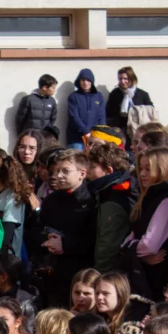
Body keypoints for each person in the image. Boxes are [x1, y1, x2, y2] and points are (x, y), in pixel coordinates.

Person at [33, 150, 96, 308]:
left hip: (80, 273)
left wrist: (65, 245)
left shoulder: (92, 200)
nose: (58, 175)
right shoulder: (50, 201)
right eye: (56, 171)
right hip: (53, 274)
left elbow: (94, 238)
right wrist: (47, 240)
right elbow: (36, 230)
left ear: (82, 173)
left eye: (65, 171)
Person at [125, 147, 168, 300]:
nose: (142, 174)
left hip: (157, 277)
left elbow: (149, 245)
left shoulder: (166, 200)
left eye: (148, 169)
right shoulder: (149, 197)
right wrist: (136, 250)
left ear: (163, 169)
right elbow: (131, 237)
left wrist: (131, 247)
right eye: (141, 168)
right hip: (147, 274)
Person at [87, 144, 133, 273]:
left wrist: (99, 274)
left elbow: (107, 245)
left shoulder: (113, 199)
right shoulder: (105, 191)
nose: (88, 170)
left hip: (110, 273)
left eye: (93, 167)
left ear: (108, 171)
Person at [66, 69, 105, 150]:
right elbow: (74, 117)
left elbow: (101, 117)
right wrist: (86, 131)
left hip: (94, 138)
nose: (85, 82)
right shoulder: (74, 96)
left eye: (88, 80)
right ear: (79, 81)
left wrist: (100, 133)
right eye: (83, 80)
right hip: (76, 138)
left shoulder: (98, 96)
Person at [106, 67, 153, 131]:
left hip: (138, 130)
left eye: (125, 79)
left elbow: (151, 112)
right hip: (119, 130)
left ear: (132, 78)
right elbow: (108, 113)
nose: (122, 81)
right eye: (120, 79)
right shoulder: (115, 94)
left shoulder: (142, 95)